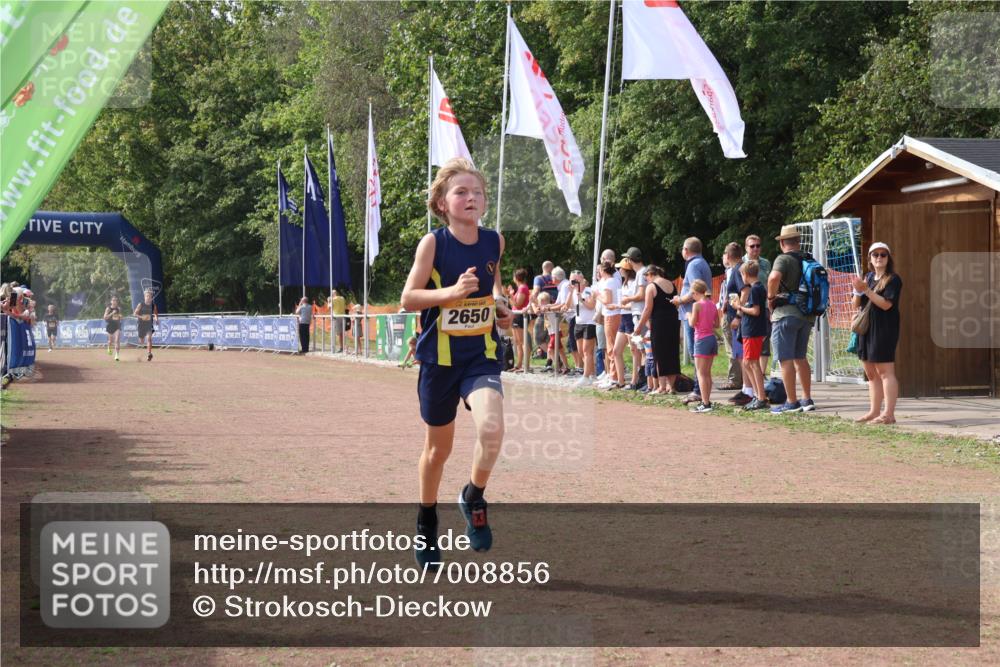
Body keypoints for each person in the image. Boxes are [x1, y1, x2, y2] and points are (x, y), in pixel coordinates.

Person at [400, 158, 513, 570]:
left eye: (477, 192)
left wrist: (502, 307)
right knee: (437, 451)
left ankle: (473, 496)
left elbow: (494, 285)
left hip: (480, 355)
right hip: (439, 360)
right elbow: (409, 297)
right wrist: (451, 292)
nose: (471, 198)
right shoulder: (434, 244)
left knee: (492, 428)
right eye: (461, 192)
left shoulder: (494, 241)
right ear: (442, 203)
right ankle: (427, 519)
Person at [852, 242, 902, 425]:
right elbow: (856, 305)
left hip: (884, 329)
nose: (879, 258)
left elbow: (886, 304)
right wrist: (858, 290)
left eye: (883, 255)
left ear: (888, 258)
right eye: (875, 255)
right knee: (871, 373)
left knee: (885, 372)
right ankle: (874, 411)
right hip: (866, 328)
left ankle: (888, 414)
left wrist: (865, 289)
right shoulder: (868, 277)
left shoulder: (893, 279)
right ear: (870, 259)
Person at [768, 225, 816, 414]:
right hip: (806, 315)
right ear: (798, 241)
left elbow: (773, 277)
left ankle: (791, 401)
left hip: (785, 315)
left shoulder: (783, 259)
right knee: (800, 357)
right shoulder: (808, 258)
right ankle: (806, 398)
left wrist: (771, 298)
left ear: (782, 243)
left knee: (785, 360)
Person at [672, 238, 712, 403]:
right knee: (699, 354)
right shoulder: (701, 263)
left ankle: (697, 390)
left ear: (686, 250)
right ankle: (701, 388)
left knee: (697, 353)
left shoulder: (694, 265)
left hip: (693, 314)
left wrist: (680, 300)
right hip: (698, 314)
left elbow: (696, 290)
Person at [634, 264, 680, 394]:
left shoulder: (651, 287)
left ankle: (662, 387)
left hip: (659, 322)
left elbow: (648, 309)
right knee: (672, 353)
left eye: (646, 277)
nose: (646, 280)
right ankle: (672, 387)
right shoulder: (672, 284)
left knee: (659, 354)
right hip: (673, 321)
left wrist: (639, 326)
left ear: (650, 274)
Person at [722, 242, 754, 406]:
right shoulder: (738, 268)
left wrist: (739, 314)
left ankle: (748, 390)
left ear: (727, 256)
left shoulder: (737, 270)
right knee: (741, 355)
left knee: (742, 356)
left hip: (739, 319)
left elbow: (745, 290)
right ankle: (746, 388)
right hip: (737, 317)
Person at [734, 261, 768, 410]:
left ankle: (760, 397)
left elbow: (755, 311)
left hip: (753, 330)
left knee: (752, 363)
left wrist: (739, 307)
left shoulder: (755, 289)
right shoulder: (757, 288)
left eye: (741, 274)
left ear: (745, 274)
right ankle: (757, 395)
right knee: (748, 363)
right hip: (751, 330)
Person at [687, 279, 718, 413]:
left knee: (701, 373)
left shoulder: (696, 305)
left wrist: (688, 315)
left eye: (691, 294)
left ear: (695, 292)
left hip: (701, 339)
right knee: (707, 373)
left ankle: (705, 403)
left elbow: (692, 323)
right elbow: (716, 324)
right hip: (711, 338)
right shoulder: (712, 304)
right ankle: (707, 401)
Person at [744, 234, 772, 376]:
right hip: (746, 307)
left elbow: (770, 284)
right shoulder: (741, 263)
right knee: (746, 342)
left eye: (758, 245)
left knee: (765, 340)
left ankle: (761, 374)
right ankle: (749, 379)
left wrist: (771, 306)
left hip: (764, 305)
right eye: (752, 246)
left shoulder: (765, 264)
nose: (755, 248)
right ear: (746, 248)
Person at [595, 261, 623, 389]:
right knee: (612, 346)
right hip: (615, 314)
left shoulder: (608, 282)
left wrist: (597, 296)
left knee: (611, 347)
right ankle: (613, 375)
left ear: (603, 271)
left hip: (611, 315)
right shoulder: (616, 280)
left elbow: (607, 300)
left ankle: (613, 377)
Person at [570, 272, 597, 387]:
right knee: (581, 351)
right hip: (578, 323)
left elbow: (591, 306)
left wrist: (581, 299)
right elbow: (568, 306)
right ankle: (591, 373)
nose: (574, 283)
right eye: (572, 281)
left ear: (582, 280)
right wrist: (571, 291)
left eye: (576, 281)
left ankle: (586, 376)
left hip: (589, 323)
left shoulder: (589, 290)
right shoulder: (573, 292)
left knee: (587, 351)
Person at [510, 268, 531, 372]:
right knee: (517, 342)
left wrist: (510, 295)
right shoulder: (519, 288)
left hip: (520, 316)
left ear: (516, 277)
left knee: (523, 342)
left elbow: (518, 304)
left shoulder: (523, 288)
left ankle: (526, 365)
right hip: (515, 316)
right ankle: (518, 365)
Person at [134, 289, 158, 361]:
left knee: (149, 338)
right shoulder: (141, 304)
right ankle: (144, 352)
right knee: (141, 340)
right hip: (141, 325)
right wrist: (142, 317)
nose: (148, 297)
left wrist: (156, 318)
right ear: (144, 297)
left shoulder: (153, 305)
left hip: (149, 324)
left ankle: (149, 353)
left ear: (151, 298)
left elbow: (155, 313)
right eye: (147, 296)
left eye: (149, 296)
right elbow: (135, 313)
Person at [104, 296, 123, 361]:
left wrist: (120, 316)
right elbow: (105, 317)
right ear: (111, 301)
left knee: (117, 340)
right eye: (113, 300)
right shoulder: (108, 309)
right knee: (110, 341)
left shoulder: (119, 308)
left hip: (117, 326)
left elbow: (120, 317)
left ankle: (117, 355)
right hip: (110, 326)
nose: (114, 302)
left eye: (116, 301)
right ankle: (109, 348)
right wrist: (112, 313)